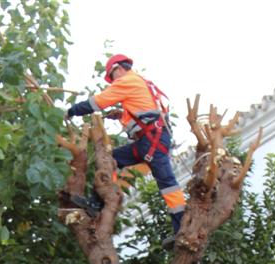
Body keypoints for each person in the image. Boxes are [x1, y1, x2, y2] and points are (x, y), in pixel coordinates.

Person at [64, 54, 186, 250]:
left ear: (119, 68)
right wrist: (121, 114)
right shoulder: (142, 83)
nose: (113, 82)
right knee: (111, 159)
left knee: (168, 184)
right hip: (150, 138)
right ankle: (97, 202)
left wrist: (72, 110)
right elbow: (148, 111)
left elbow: (97, 102)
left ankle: (183, 229)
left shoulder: (127, 81)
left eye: (112, 77)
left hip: (151, 140)